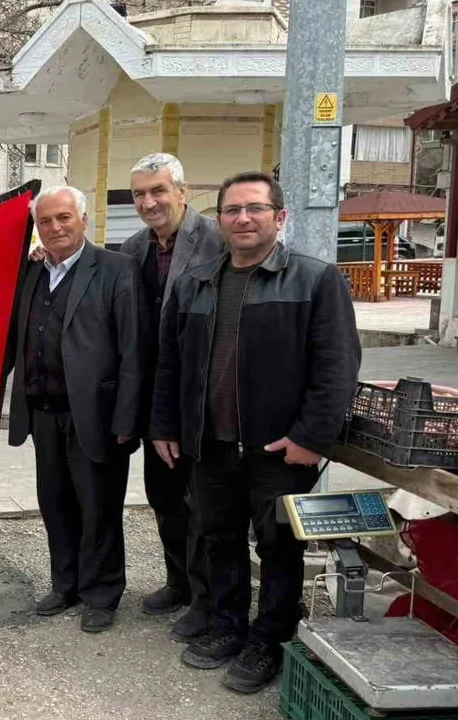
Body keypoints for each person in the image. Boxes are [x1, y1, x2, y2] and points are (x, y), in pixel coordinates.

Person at [151, 171, 360, 693]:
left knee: (278, 546)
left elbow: (336, 367)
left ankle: (269, 638)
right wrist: (165, 425)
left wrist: (312, 438)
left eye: (256, 209)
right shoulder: (195, 281)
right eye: (232, 210)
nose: (243, 218)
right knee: (219, 540)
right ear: (219, 219)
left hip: (278, 449)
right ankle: (227, 626)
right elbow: (170, 363)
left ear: (279, 217)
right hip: (209, 444)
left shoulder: (315, 280)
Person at [6, 185, 148, 633]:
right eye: (45, 221)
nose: (55, 227)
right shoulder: (29, 273)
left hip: (98, 417)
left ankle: (102, 595)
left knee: (98, 510)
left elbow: (134, 350)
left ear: (83, 220)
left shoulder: (116, 270)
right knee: (56, 504)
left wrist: (128, 418)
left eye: (64, 218)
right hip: (44, 412)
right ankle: (64, 584)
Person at [119, 153, 223, 641]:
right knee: (164, 499)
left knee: (203, 505)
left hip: (203, 399)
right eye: (140, 194)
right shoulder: (134, 247)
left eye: (158, 190)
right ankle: (178, 583)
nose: (149, 201)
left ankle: (208, 601)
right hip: (155, 402)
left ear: (182, 191)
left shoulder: (218, 241)